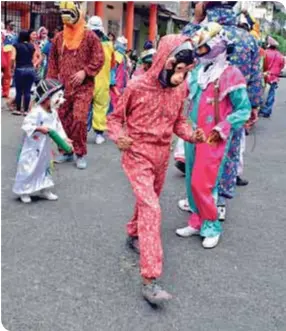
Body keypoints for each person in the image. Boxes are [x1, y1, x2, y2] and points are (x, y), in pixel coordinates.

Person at [107, 35, 205, 305]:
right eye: (178, 70)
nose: (180, 77)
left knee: (148, 199)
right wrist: (118, 137)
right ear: (165, 60)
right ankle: (150, 280)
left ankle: (132, 232)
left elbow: (180, 122)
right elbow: (113, 119)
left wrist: (192, 135)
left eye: (187, 73)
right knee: (152, 207)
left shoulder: (180, 89)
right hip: (137, 153)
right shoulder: (137, 86)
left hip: (162, 155)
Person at [181, 1, 263, 220]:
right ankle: (220, 202)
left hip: (202, 105)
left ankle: (198, 201)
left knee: (198, 155)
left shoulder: (201, 33)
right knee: (229, 153)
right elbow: (255, 74)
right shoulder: (249, 39)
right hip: (234, 104)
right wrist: (253, 106)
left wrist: (196, 19)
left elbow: (179, 45)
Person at [175, 23, 251, 249]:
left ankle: (211, 225)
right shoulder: (199, 71)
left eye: (205, 46)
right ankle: (197, 220)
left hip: (213, 137)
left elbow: (243, 109)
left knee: (203, 182)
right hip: (193, 134)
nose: (201, 51)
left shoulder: (231, 74)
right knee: (190, 179)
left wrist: (223, 127)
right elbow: (185, 95)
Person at [47, 1, 104, 169]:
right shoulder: (59, 38)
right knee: (62, 120)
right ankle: (66, 151)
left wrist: (85, 72)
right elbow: (52, 63)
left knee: (79, 119)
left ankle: (79, 153)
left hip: (83, 88)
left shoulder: (90, 37)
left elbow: (99, 58)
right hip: (62, 88)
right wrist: (52, 84)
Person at [13, 79, 72, 203]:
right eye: (58, 97)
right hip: (32, 147)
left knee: (45, 167)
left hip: (44, 147)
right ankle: (24, 190)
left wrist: (65, 139)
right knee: (29, 167)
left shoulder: (53, 112)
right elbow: (27, 125)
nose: (61, 101)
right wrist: (39, 128)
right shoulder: (37, 112)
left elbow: (58, 126)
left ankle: (45, 189)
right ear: (46, 98)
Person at [87, 16, 115, 145]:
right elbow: (113, 64)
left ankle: (82, 131)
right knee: (101, 107)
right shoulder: (109, 45)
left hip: (87, 80)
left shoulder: (84, 42)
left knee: (84, 107)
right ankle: (98, 134)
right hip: (103, 81)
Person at [259, 36, 285, 118]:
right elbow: (281, 66)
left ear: (268, 45)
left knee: (260, 93)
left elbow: (261, 64)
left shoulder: (264, 52)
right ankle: (268, 110)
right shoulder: (280, 55)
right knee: (271, 94)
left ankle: (259, 109)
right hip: (274, 77)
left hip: (264, 76)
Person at [12, 30, 36, 116]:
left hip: (20, 69)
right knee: (27, 91)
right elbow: (33, 58)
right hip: (30, 69)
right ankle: (26, 111)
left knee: (19, 91)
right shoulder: (31, 46)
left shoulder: (16, 46)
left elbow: (12, 58)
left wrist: (12, 67)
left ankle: (18, 110)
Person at [109, 36, 129, 114]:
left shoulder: (121, 55)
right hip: (116, 87)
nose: (125, 47)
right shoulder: (118, 55)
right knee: (114, 108)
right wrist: (113, 85)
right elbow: (112, 70)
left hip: (120, 86)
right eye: (124, 45)